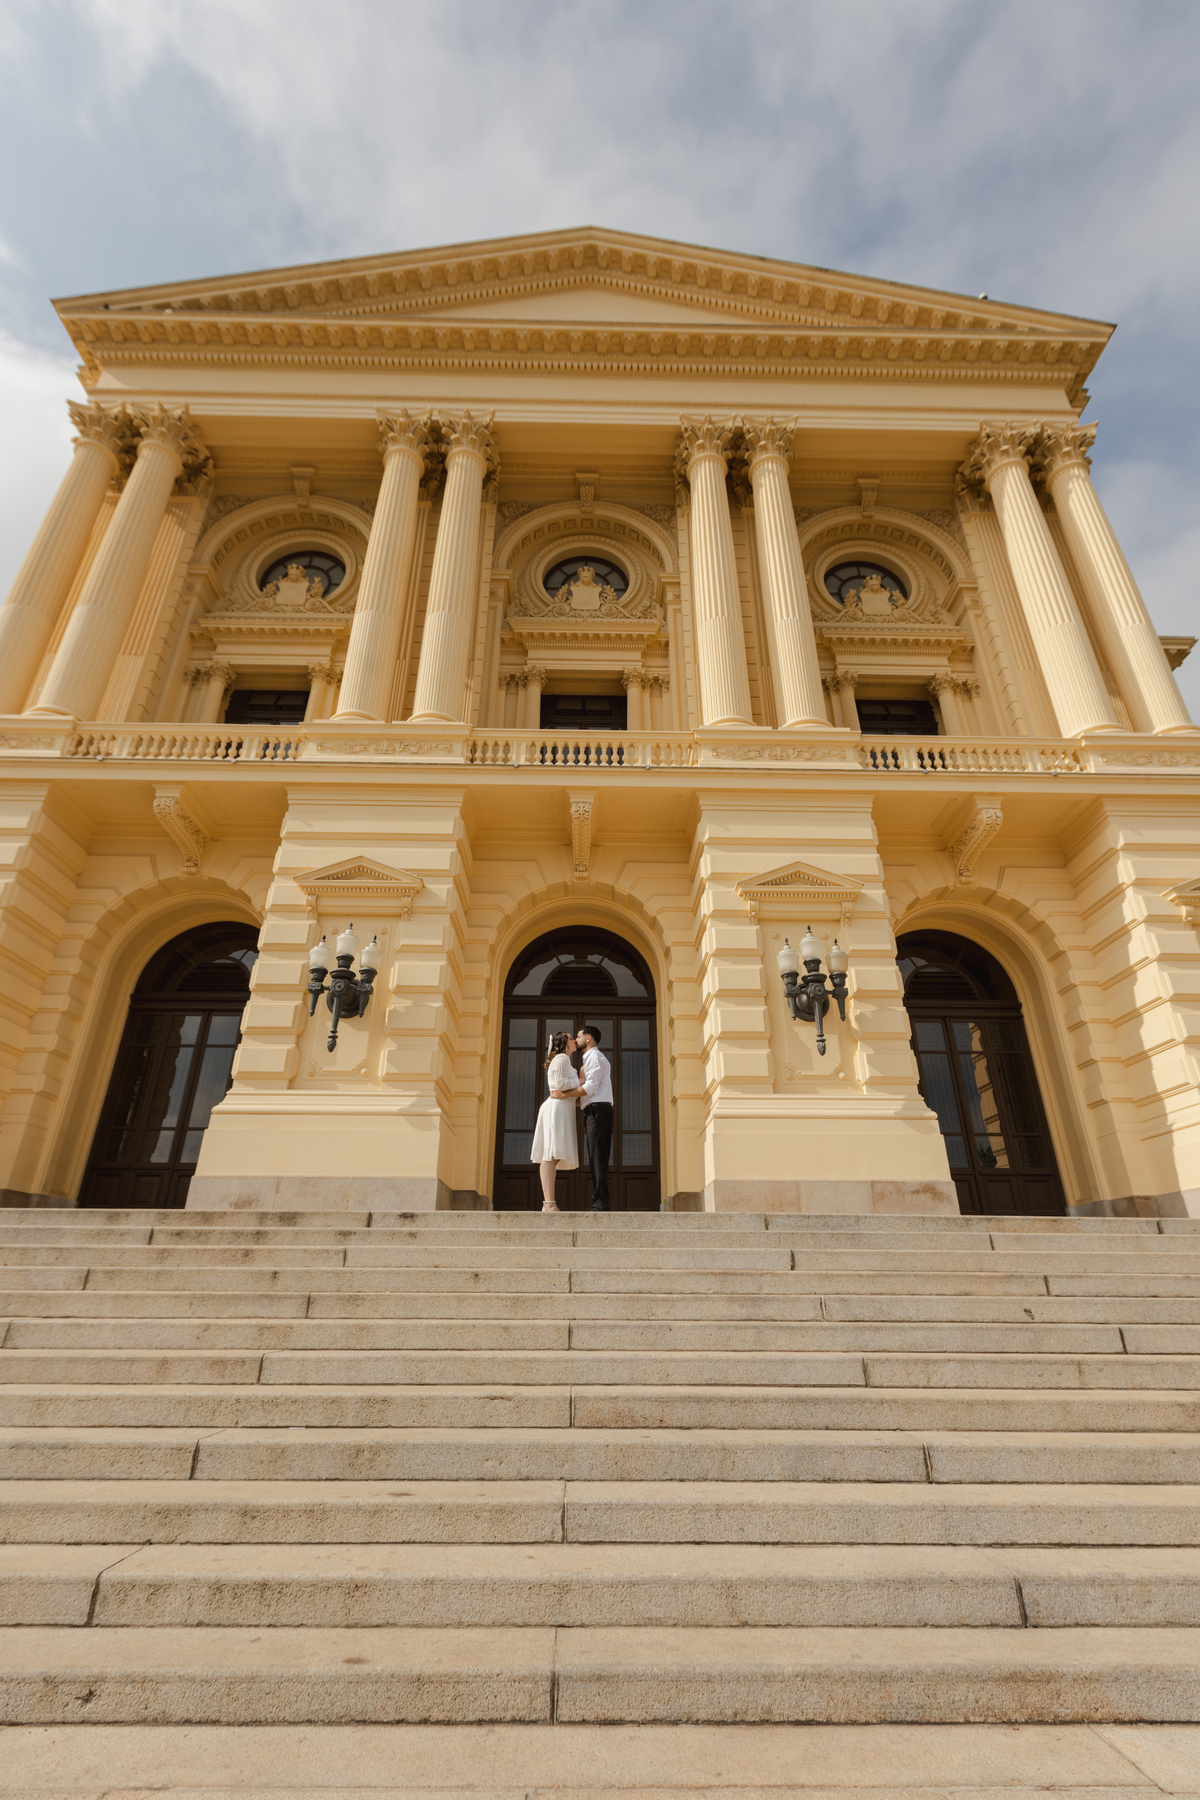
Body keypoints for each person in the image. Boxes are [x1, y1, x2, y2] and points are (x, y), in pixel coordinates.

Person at [529, 1031, 585, 1213]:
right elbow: (560, 1084)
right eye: (571, 1038)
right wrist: (582, 1080)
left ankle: (549, 1203)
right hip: (556, 1110)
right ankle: (549, 1204)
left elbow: (563, 1088)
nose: (574, 1040)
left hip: (561, 1109)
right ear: (564, 1043)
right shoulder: (561, 1058)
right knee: (550, 1156)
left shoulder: (564, 1060)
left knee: (554, 1156)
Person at [576, 1023, 614, 1211]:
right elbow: (590, 1091)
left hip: (598, 1111)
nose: (576, 1039)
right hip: (596, 1111)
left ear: (588, 1038)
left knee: (598, 1158)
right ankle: (600, 1203)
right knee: (596, 1157)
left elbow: (590, 1088)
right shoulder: (591, 1058)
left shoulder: (594, 1057)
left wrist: (562, 1095)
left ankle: (600, 1205)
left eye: (579, 1036)